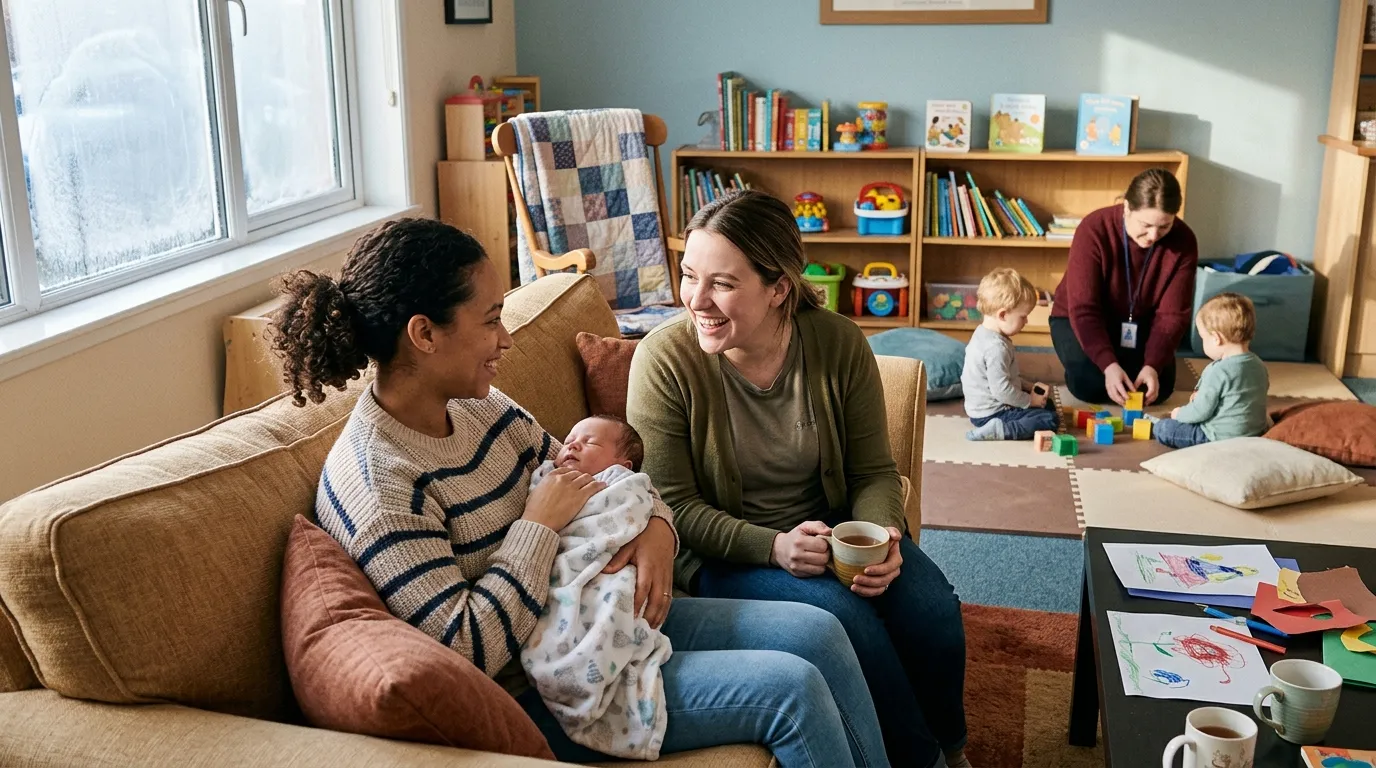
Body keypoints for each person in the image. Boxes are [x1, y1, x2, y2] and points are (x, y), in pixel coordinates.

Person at [270, 217, 890, 768]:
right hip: (550, 685)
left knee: (819, 633)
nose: (506, 340)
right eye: (490, 321)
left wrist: (656, 528)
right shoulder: (383, 484)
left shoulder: (483, 410)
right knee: (792, 688)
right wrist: (536, 527)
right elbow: (467, 650)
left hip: (602, 616)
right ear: (424, 334)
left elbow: (611, 484)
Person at [626, 190, 970, 768]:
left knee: (933, 611)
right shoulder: (664, 361)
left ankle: (952, 746)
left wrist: (883, 534)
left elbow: (873, 470)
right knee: (847, 619)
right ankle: (922, 762)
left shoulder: (837, 342)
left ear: (779, 287)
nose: (696, 300)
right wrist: (774, 546)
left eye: (723, 284)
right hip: (727, 556)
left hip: (832, 533)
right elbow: (671, 506)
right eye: (689, 276)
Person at [521, 415, 671, 760]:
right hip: (569, 575)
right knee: (791, 685)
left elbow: (641, 497)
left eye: (588, 442)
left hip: (620, 578)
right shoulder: (549, 475)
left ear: (623, 463)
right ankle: (586, 668)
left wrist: (658, 524)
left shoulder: (619, 481)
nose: (570, 444)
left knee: (811, 630)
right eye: (569, 437)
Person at [1051, 168, 1199, 407]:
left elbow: (1172, 316)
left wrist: (1152, 365)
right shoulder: (1094, 228)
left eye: (1164, 227)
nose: (1153, 235)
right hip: (1076, 318)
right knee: (1089, 384)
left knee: (1157, 388)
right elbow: (1083, 309)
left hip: (1140, 323)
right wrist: (1108, 365)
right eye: (1146, 224)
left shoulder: (1184, 241)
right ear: (1127, 208)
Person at [1154, 293, 1269, 449]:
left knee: (1163, 428)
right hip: (1253, 434)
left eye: (1203, 338)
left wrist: (1178, 413)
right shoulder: (1258, 364)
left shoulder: (1218, 370)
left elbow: (1200, 412)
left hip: (1217, 438)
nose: (1203, 342)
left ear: (1216, 338)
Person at [963, 267, 1057, 441]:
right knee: (1048, 419)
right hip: (993, 413)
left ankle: (999, 425)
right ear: (1003, 315)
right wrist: (1030, 401)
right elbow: (1002, 391)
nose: (1026, 321)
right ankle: (1000, 429)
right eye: (1023, 316)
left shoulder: (983, 333)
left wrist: (1028, 386)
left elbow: (1002, 377)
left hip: (982, 409)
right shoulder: (996, 348)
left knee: (1048, 404)